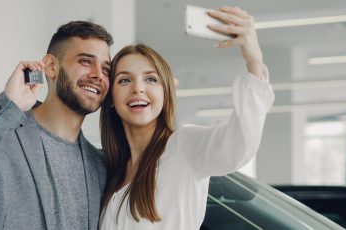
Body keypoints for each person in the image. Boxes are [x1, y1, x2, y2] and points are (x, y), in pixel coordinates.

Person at [99, 6, 275, 229]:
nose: (138, 88)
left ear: (165, 93)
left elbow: (239, 144)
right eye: (124, 80)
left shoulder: (184, 146)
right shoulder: (112, 170)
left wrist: (254, 60)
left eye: (151, 79)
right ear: (111, 97)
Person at [0, 21, 113, 229]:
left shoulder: (102, 166)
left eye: (106, 69)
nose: (98, 75)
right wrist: (9, 104)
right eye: (85, 61)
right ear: (51, 66)